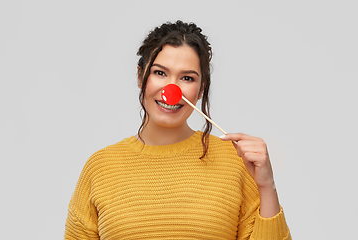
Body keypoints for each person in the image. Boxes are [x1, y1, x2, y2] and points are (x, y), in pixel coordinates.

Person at [64, 20, 291, 239]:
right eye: (160, 73)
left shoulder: (236, 161)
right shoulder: (100, 168)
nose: (171, 89)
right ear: (140, 76)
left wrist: (267, 185)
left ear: (201, 89)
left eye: (187, 78)